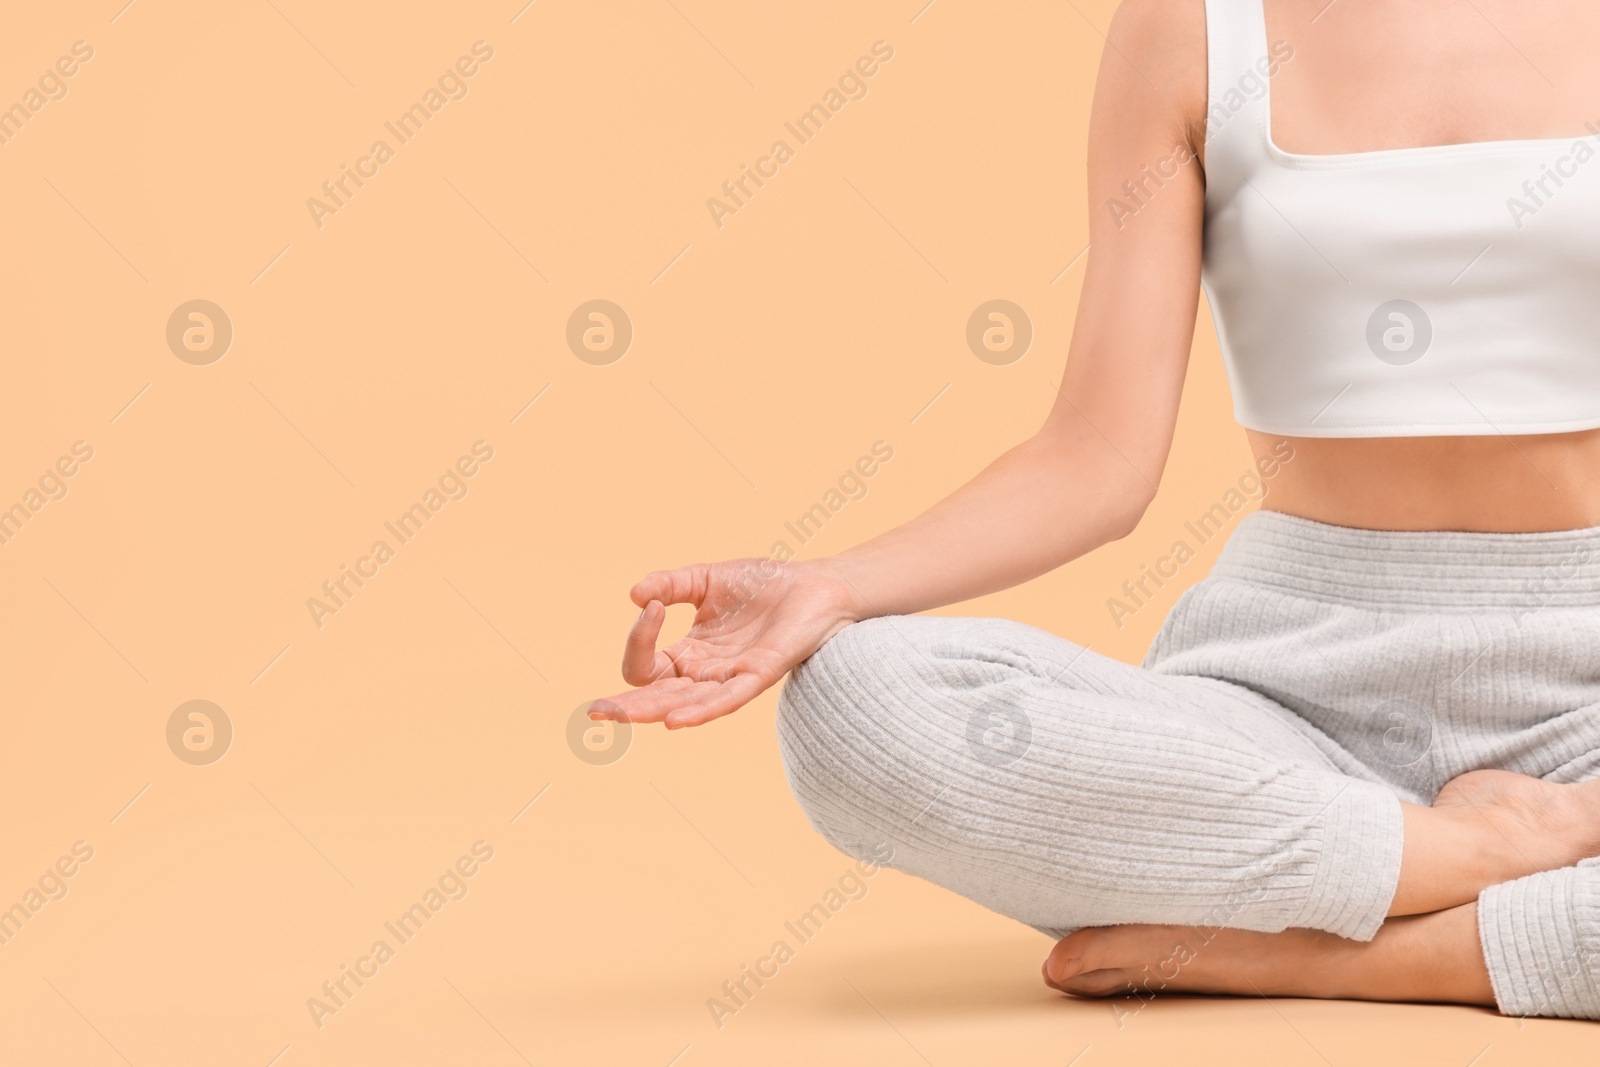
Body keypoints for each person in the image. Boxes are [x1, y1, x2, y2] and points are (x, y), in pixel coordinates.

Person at [590, 0, 1600, 1019]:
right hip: (1284, 703)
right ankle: (1491, 856)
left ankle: (1326, 950)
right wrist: (828, 585)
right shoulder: (1191, 28)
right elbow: (1097, 457)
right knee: (854, 703)